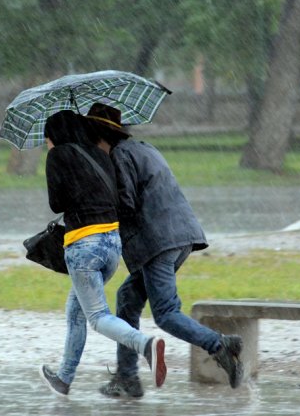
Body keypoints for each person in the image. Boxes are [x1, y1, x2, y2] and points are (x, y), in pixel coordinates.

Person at [84, 103, 244, 398]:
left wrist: (97, 211)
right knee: (128, 298)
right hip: (177, 237)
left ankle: (220, 345)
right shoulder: (144, 149)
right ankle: (127, 377)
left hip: (157, 242)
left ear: (99, 136)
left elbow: (127, 204)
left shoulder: (118, 157)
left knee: (166, 313)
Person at [38, 110, 167, 397]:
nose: (46, 145)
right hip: (112, 245)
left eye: (46, 139)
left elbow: (56, 204)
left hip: (84, 246)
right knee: (76, 312)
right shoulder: (99, 154)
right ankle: (64, 378)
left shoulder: (58, 155)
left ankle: (145, 344)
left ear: (54, 135)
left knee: (96, 317)